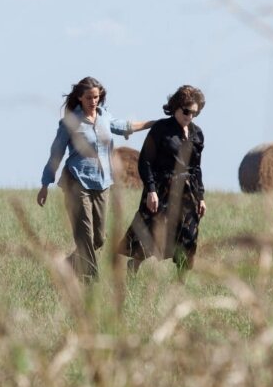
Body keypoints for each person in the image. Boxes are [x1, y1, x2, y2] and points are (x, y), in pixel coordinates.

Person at [38, 76, 154, 281]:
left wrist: (153, 124)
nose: (94, 101)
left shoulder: (104, 117)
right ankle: (92, 280)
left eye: (97, 97)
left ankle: (66, 266)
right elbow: (56, 153)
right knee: (85, 236)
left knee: (99, 239)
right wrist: (45, 183)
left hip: (103, 182)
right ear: (80, 98)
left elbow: (125, 126)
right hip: (77, 181)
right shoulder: (70, 122)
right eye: (90, 98)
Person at [118, 85, 207, 274]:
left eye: (194, 113)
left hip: (188, 192)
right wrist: (151, 190)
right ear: (176, 107)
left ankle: (181, 284)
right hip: (161, 189)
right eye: (186, 111)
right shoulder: (160, 129)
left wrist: (200, 197)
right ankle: (134, 265)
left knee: (188, 236)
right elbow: (145, 161)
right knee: (151, 233)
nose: (189, 116)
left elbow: (196, 168)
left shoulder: (197, 134)